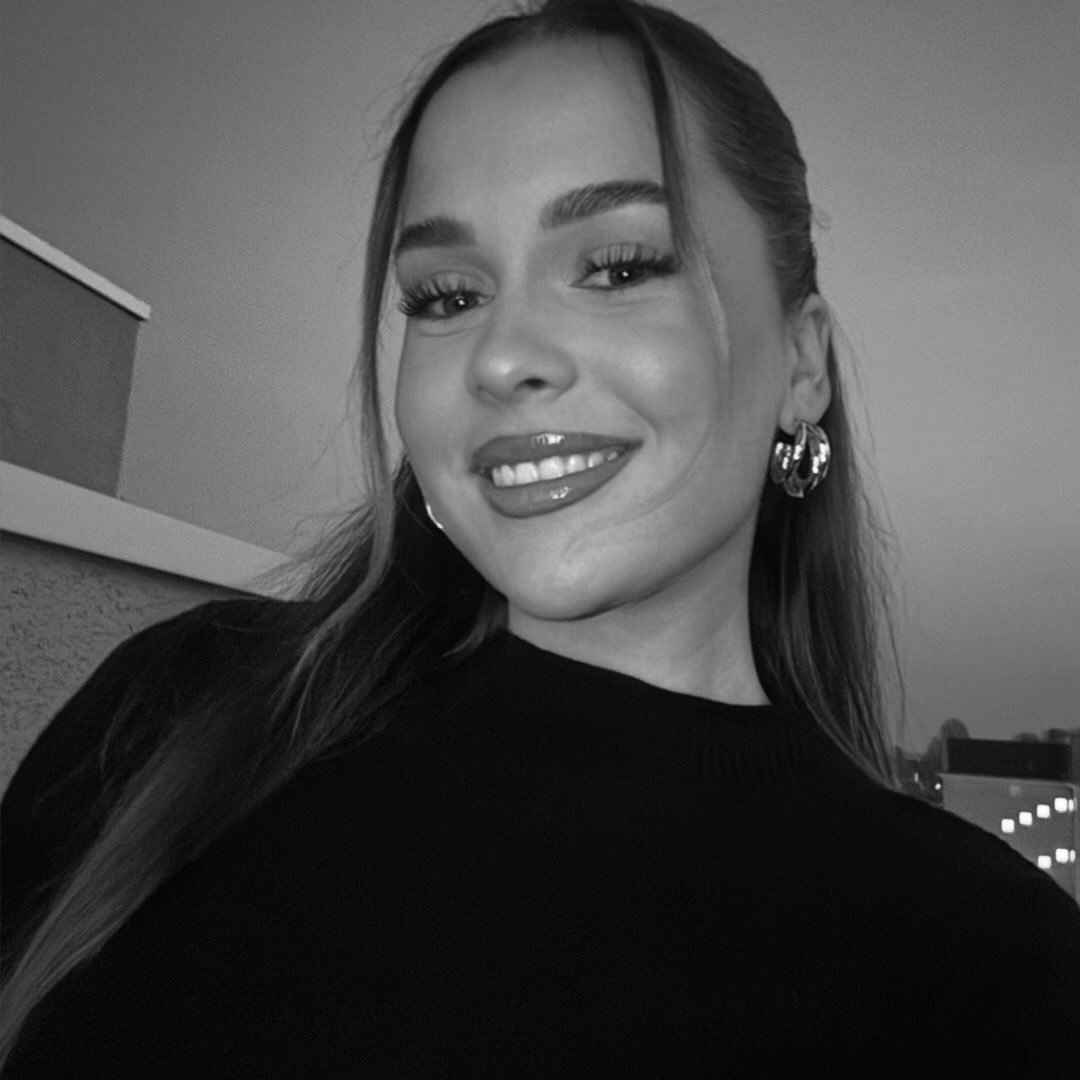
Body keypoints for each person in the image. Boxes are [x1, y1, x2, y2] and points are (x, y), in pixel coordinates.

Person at [2, 0, 1079, 1074]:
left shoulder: (990, 968)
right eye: (446, 295)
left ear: (802, 363)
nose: (501, 356)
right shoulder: (178, 718)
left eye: (619, 267)